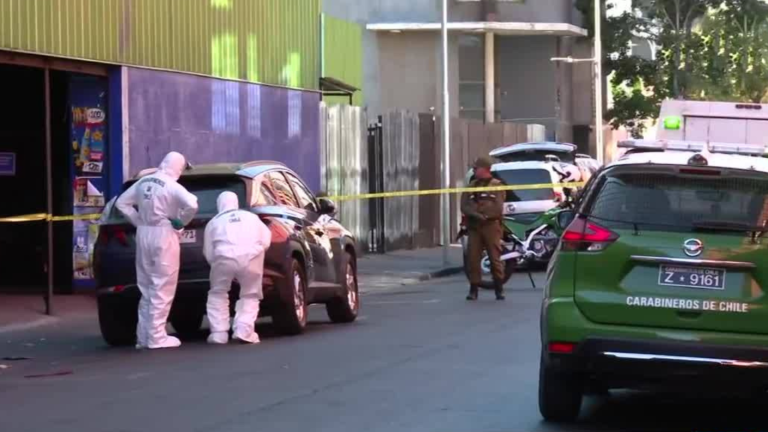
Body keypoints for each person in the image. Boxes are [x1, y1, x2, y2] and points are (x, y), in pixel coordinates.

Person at [116, 152, 199, 349]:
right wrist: (181, 222)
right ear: (178, 167)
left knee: (145, 286)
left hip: (144, 234)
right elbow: (192, 204)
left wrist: (139, 222)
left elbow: (121, 203)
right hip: (163, 235)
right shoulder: (172, 186)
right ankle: (156, 337)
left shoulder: (144, 181)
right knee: (162, 286)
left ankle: (143, 336)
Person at [204, 191, 272, 344]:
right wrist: (257, 253)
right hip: (251, 257)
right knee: (250, 294)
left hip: (223, 257)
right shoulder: (251, 217)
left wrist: (218, 266)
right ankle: (244, 330)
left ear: (219, 204)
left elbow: (209, 253)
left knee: (218, 292)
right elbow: (266, 239)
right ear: (236, 203)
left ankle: (218, 333)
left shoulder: (214, 222)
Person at [461, 156, 507, 301]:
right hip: (475, 226)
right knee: (473, 258)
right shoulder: (470, 186)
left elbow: (498, 207)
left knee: (494, 258)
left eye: (476, 168)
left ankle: (499, 289)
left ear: (485, 169)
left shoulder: (497, 185)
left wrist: (485, 216)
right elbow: (464, 206)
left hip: (491, 226)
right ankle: (473, 289)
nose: (474, 170)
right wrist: (475, 214)